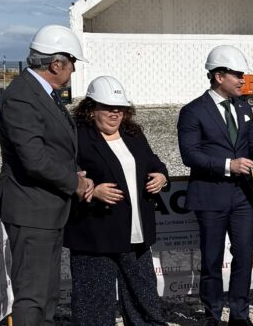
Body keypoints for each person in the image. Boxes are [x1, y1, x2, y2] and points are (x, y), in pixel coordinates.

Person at [0, 24, 93, 326]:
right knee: (33, 297)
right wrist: (75, 182)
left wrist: (73, 171)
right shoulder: (22, 97)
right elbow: (33, 159)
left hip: (46, 209)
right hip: (31, 209)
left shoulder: (43, 94)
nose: (74, 70)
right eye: (72, 62)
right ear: (56, 63)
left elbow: (52, 148)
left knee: (47, 294)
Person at [64, 76, 169, 325]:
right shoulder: (77, 137)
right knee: (94, 305)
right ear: (91, 109)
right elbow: (63, 175)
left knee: (144, 298)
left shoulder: (132, 133)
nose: (115, 113)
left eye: (120, 108)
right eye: (108, 108)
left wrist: (162, 176)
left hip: (136, 235)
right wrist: (91, 191)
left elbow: (153, 161)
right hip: (95, 236)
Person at [177, 45, 253, 326]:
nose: (243, 80)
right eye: (237, 75)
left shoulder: (243, 107)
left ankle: (240, 315)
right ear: (219, 76)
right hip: (210, 195)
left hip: (242, 195)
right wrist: (229, 165)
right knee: (212, 259)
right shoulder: (193, 111)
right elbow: (189, 154)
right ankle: (212, 315)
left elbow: (251, 139)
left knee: (243, 256)